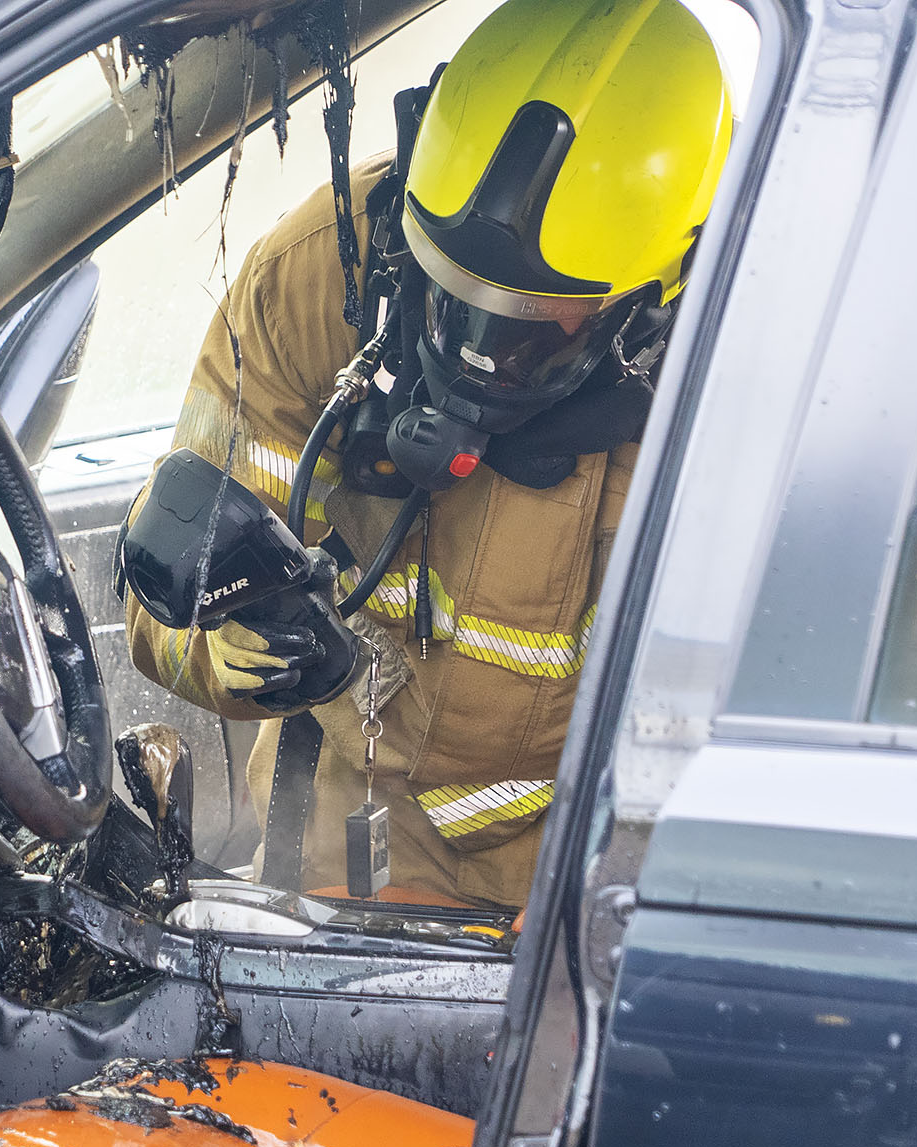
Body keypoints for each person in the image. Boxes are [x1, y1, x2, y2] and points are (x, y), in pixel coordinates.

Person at [123, 0, 734, 910]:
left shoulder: (726, 402)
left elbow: (714, 758)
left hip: (557, 900)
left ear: (648, 305)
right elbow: (162, 598)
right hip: (325, 857)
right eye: (449, 296)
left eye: (534, 326)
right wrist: (232, 643)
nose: (474, 349)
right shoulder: (319, 274)